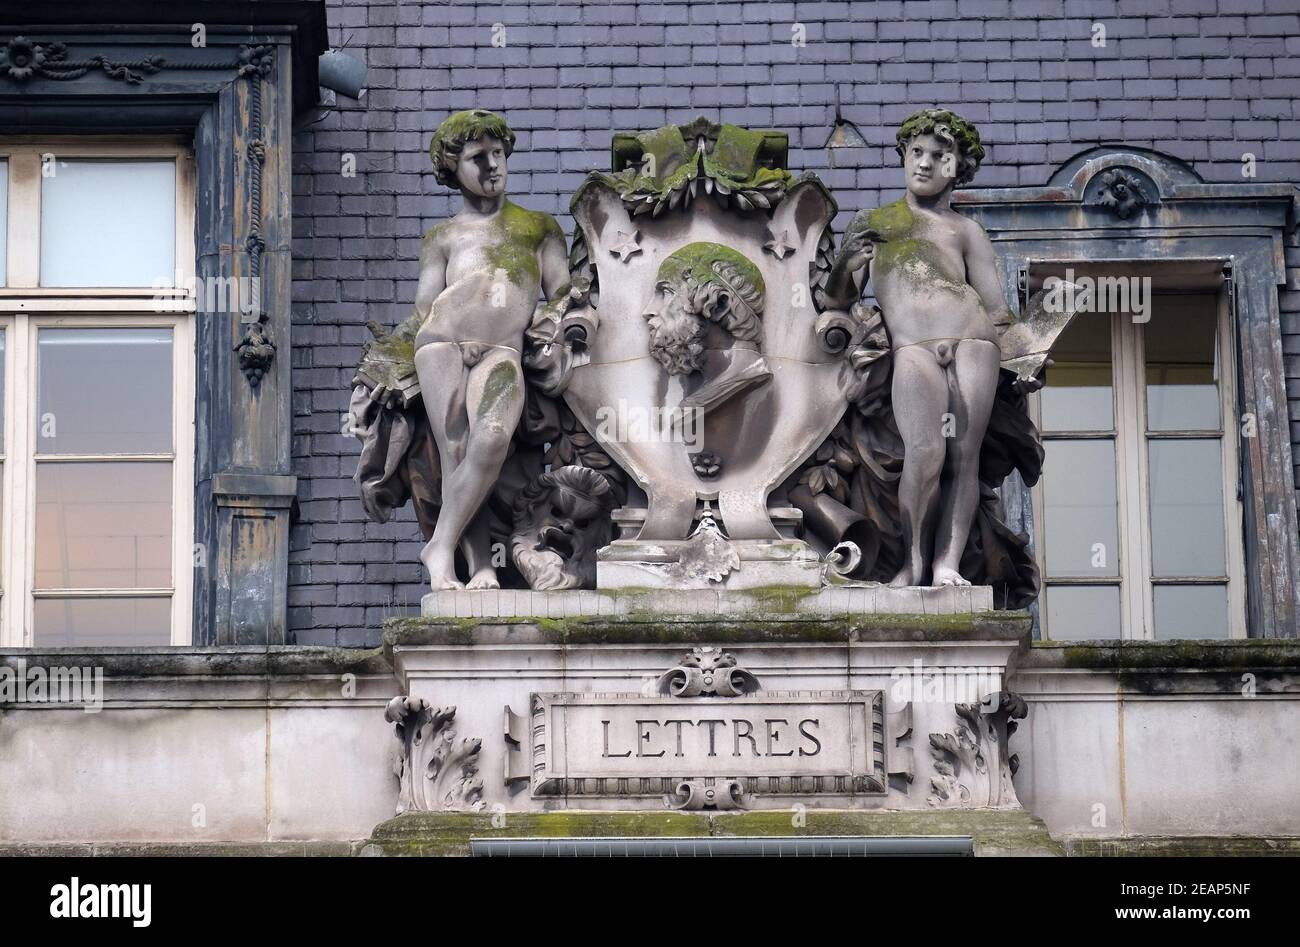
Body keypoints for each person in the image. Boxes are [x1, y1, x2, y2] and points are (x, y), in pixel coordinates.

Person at [824, 108, 1012, 588]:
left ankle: (947, 565)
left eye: (940, 156)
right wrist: (846, 263)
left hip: (972, 341)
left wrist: (1026, 354)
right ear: (904, 157)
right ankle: (911, 564)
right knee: (924, 454)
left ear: (958, 167)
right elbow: (838, 300)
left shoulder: (965, 231)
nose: (925, 164)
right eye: (916, 153)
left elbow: (995, 308)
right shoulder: (877, 222)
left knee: (962, 458)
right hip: (913, 347)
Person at [406, 109, 570, 589]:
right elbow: (424, 305)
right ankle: (478, 568)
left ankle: (439, 544)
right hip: (443, 345)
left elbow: (562, 295)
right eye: (479, 157)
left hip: (502, 350)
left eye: (499, 154)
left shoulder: (537, 227)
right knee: (455, 449)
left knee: (492, 438)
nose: (494, 166)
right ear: (452, 168)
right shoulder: (443, 237)